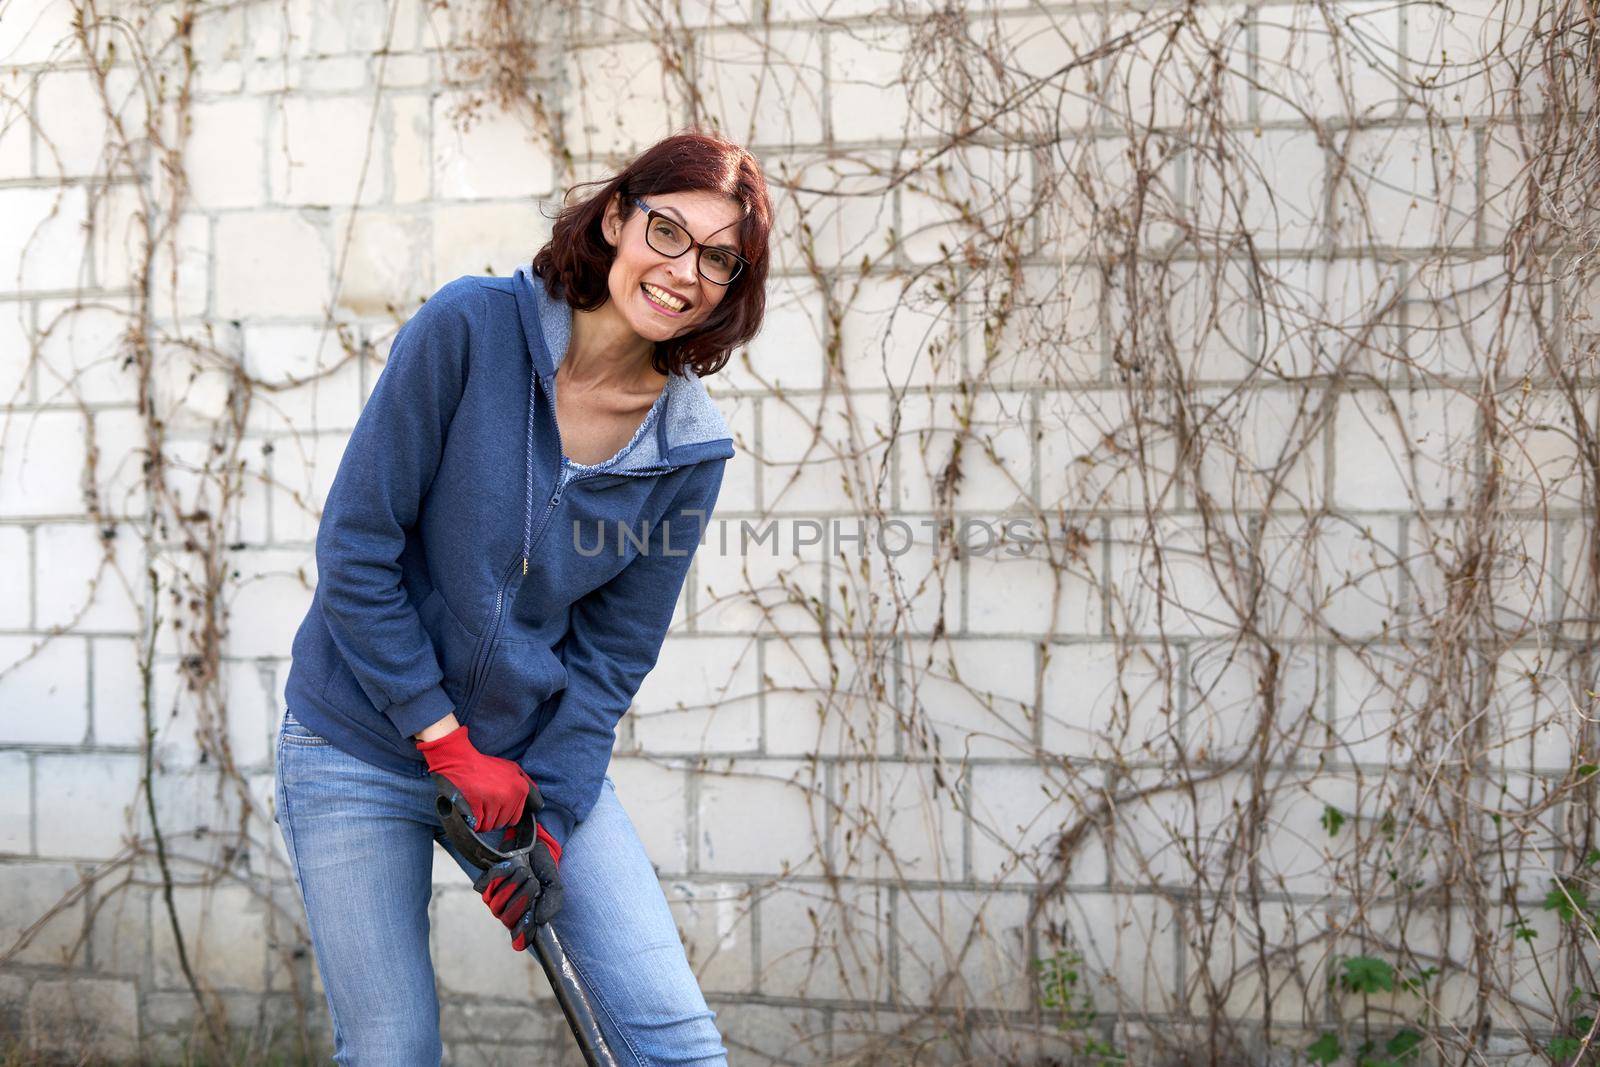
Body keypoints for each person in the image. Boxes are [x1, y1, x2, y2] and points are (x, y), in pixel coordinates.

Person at [271, 129, 771, 1065]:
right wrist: (442, 738)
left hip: (523, 764)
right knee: (393, 1049)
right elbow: (356, 547)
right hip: (357, 740)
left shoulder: (689, 451)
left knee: (677, 1043)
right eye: (667, 231)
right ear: (617, 218)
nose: (684, 272)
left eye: (718, 257)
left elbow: (615, 653)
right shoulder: (471, 329)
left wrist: (552, 811)